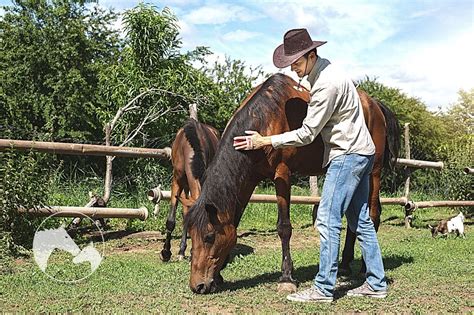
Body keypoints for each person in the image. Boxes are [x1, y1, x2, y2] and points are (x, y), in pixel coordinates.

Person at [233, 28, 388, 302]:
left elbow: (307, 134)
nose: (293, 68)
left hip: (347, 155)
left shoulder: (326, 86)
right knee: (360, 220)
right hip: (363, 151)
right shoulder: (328, 71)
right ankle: (376, 282)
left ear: (311, 54)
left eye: (296, 61)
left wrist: (264, 140)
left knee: (327, 220)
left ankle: (323, 288)